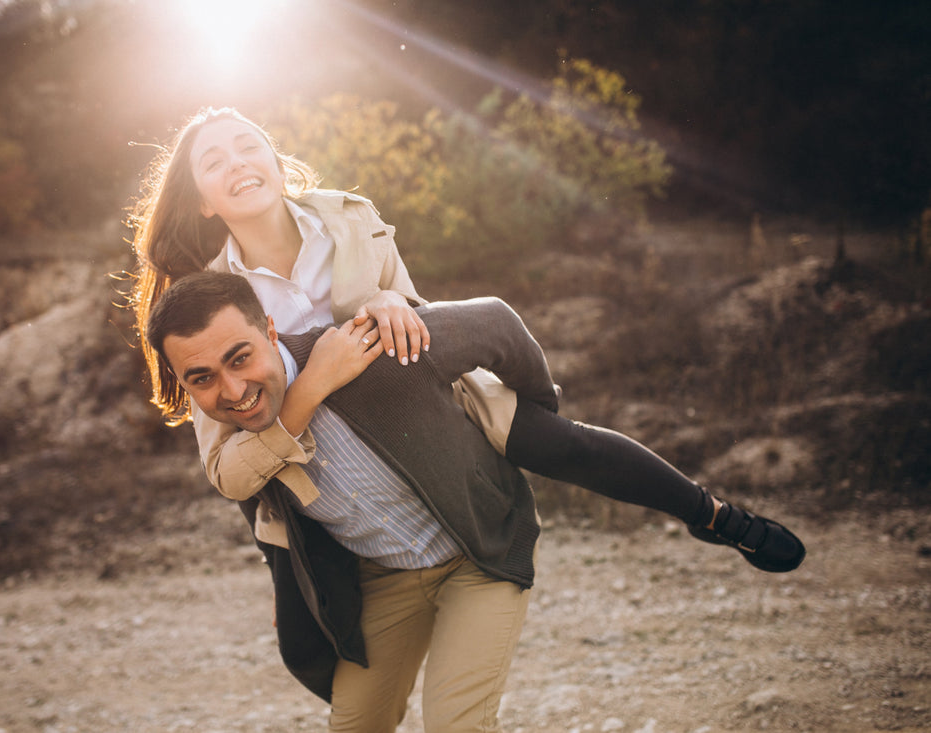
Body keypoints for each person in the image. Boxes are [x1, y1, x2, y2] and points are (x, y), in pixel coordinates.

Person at [127, 106, 805, 574]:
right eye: (213, 160)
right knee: (298, 583)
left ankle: (713, 515)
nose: (238, 162)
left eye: (249, 145)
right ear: (203, 199)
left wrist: (393, 299)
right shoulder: (205, 299)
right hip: (317, 458)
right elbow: (226, 453)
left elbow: (417, 317)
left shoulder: (352, 220)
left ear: (275, 162)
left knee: (564, 442)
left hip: (417, 407)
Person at [147, 271, 562, 730]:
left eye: (240, 358)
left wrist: (540, 422)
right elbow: (247, 496)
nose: (233, 390)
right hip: (382, 576)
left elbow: (496, 322)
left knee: (454, 725)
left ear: (270, 331)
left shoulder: (362, 346)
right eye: (202, 378)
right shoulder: (236, 444)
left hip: (480, 549)